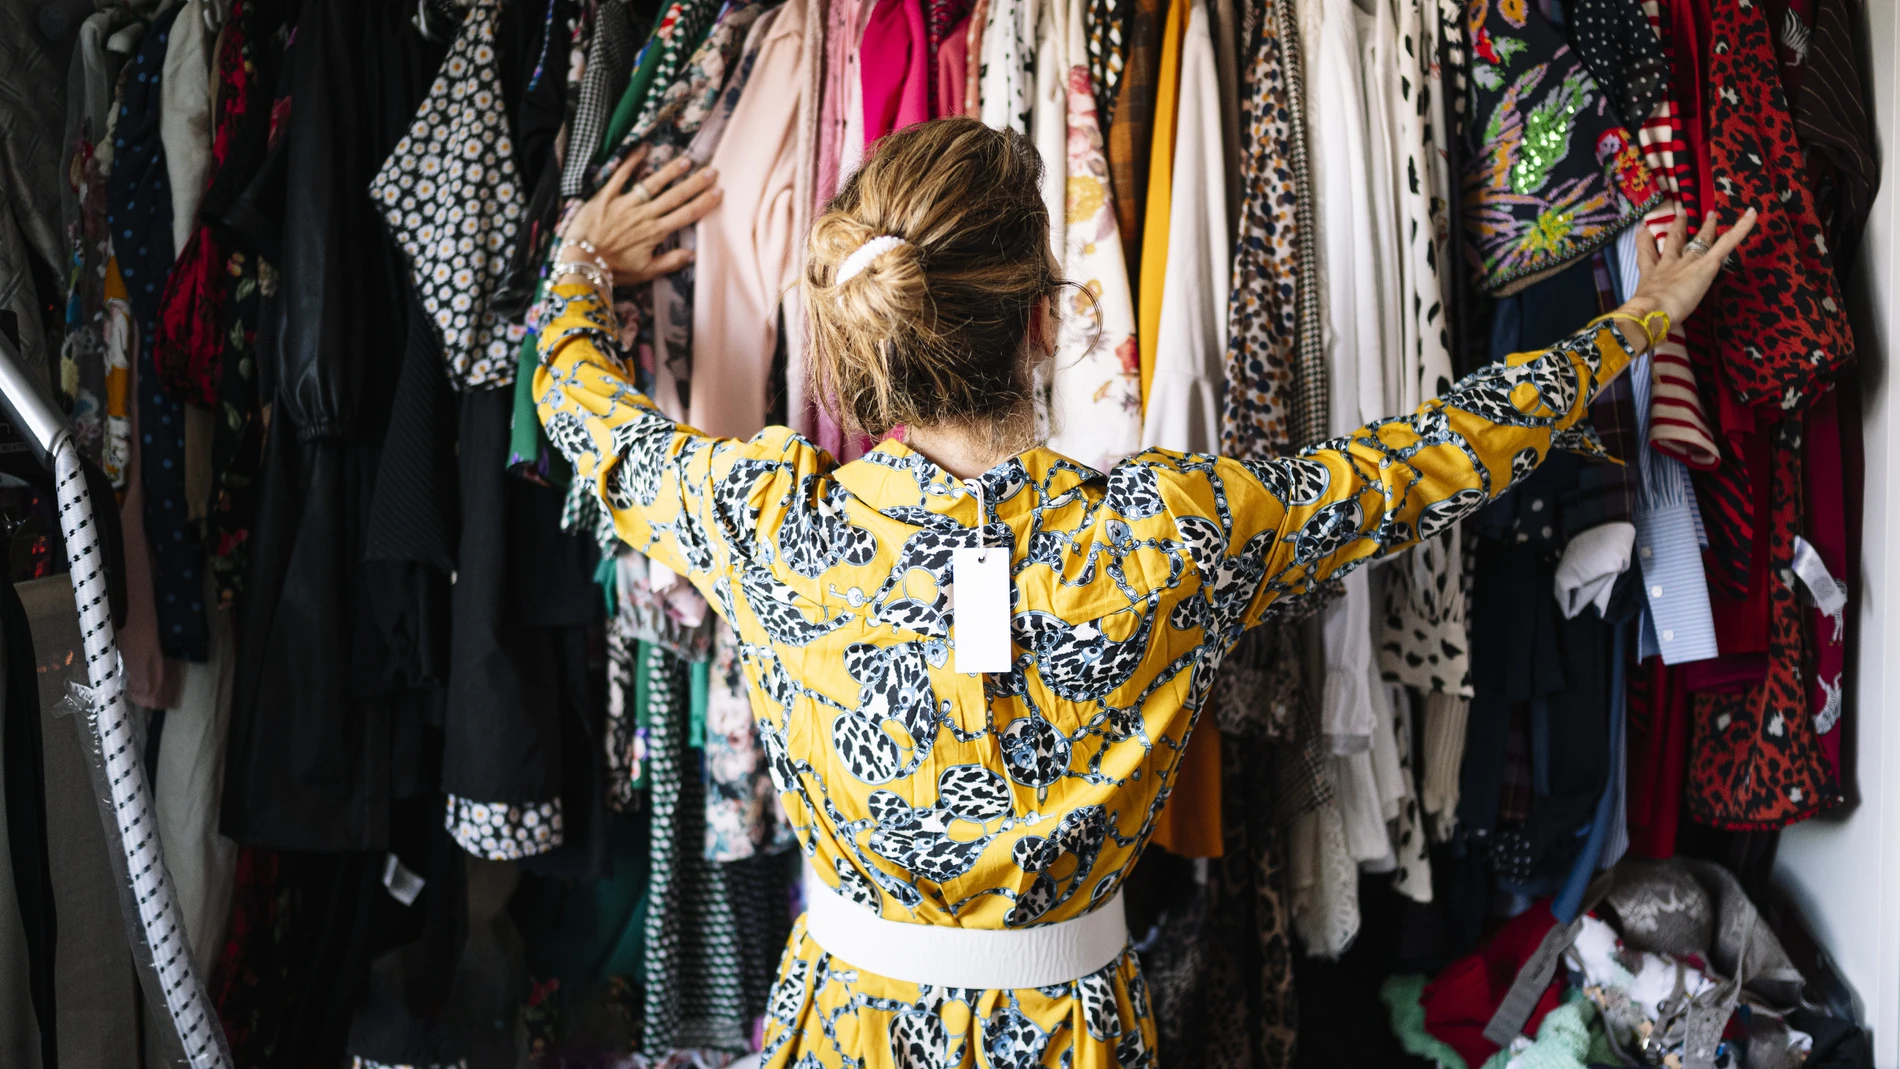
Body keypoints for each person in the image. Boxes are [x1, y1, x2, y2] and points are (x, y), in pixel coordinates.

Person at [538, 117, 1754, 1069]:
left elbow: (578, 401)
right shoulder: (1168, 537)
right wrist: (1629, 328)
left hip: (844, 1024)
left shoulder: (768, 521)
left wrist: (581, 263)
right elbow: (1426, 461)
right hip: (1070, 1028)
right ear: (1042, 321)